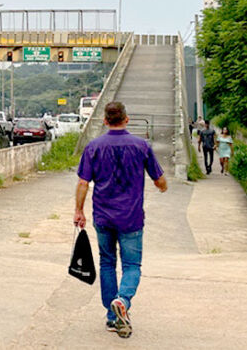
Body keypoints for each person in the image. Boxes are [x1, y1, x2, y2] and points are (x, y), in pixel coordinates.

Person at [74, 101, 168, 339]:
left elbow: (83, 183)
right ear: (127, 119)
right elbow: (160, 180)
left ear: (105, 121)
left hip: (103, 217)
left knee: (107, 263)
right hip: (132, 218)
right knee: (132, 266)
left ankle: (111, 316)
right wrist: (162, 187)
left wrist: (79, 211)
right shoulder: (141, 146)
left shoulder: (93, 147)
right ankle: (122, 300)